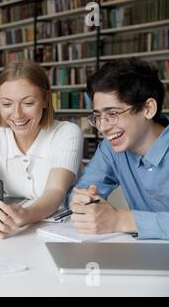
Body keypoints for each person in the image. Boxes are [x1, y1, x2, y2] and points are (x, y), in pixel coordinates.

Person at [0, 60, 84, 239]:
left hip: (61, 232)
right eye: (7, 104)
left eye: (28, 103)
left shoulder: (66, 133)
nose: (17, 114)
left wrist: (26, 215)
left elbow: (55, 191)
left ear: (45, 100)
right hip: (16, 234)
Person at [69, 57, 169, 240]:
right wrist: (83, 203)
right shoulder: (111, 148)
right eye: (98, 116)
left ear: (148, 108)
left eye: (113, 114)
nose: (103, 127)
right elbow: (80, 191)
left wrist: (120, 220)